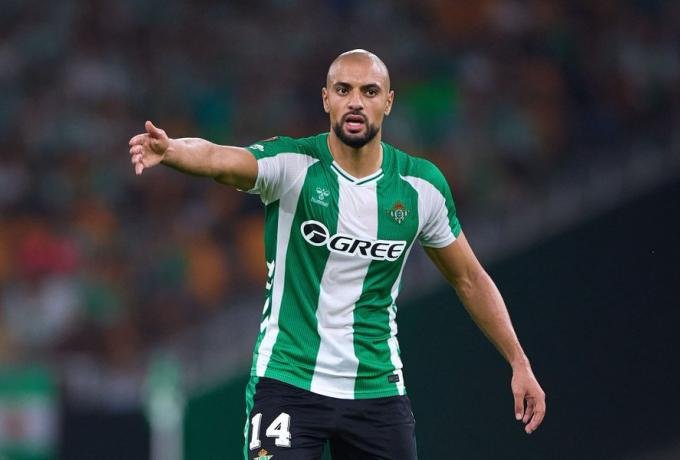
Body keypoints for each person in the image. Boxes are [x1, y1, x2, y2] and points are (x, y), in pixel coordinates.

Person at [128, 49, 546, 459]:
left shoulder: (421, 187)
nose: (355, 102)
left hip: (376, 389)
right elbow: (220, 158)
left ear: (388, 101)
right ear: (326, 98)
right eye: (344, 90)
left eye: (369, 91)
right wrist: (172, 151)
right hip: (288, 380)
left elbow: (469, 278)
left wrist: (519, 362)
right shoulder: (293, 165)